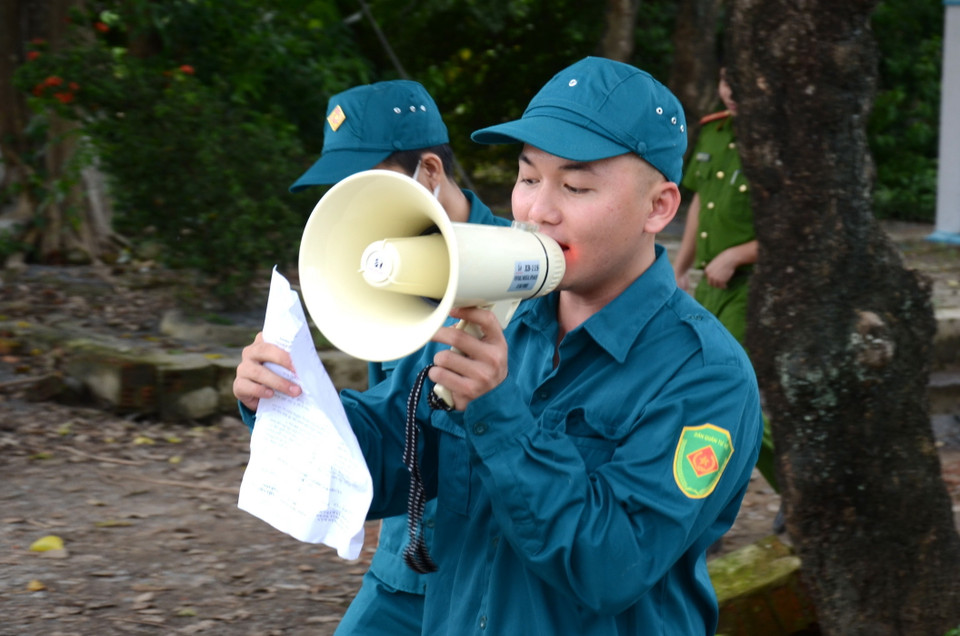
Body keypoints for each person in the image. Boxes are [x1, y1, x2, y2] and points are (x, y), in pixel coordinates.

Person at [235, 57, 763, 635]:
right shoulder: (503, 316)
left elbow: (611, 566)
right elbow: (393, 456)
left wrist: (499, 412)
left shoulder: (706, 373)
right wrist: (289, 399)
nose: (538, 211)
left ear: (658, 207)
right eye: (529, 178)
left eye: (576, 186)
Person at [240, 79, 510, 635]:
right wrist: (278, 395)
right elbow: (390, 422)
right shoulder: (380, 269)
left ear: (429, 171)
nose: (356, 205)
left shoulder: (523, 267)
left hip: (496, 575)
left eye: (368, 182)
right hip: (406, 566)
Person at [672, 67, 778, 495]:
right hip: (709, 286)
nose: (731, 92)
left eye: (742, 81)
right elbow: (700, 201)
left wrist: (737, 255)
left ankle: (798, 490)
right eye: (725, 80)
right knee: (699, 386)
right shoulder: (714, 132)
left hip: (753, 286)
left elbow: (793, 227)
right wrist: (681, 266)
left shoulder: (777, 140)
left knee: (722, 389)